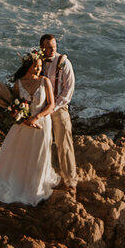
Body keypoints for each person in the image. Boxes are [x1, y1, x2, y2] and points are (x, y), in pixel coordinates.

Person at [0, 53, 59, 205]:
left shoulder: (45, 81)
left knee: (37, 155)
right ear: (27, 66)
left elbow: (51, 105)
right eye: (35, 66)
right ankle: (18, 180)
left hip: (41, 124)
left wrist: (36, 117)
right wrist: (23, 119)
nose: (38, 69)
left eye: (40, 66)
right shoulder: (19, 83)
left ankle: (35, 185)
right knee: (20, 154)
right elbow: (13, 106)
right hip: (23, 125)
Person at [39, 33, 77, 191]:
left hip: (58, 107)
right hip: (40, 107)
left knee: (64, 142)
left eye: (54, 46)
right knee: (37, 142)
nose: (52, 50)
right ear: (42, 48)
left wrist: (52, 108)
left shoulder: (64, 63)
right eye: (49, 47)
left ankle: (70, 181)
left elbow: (68, 92)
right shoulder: (36, 61)